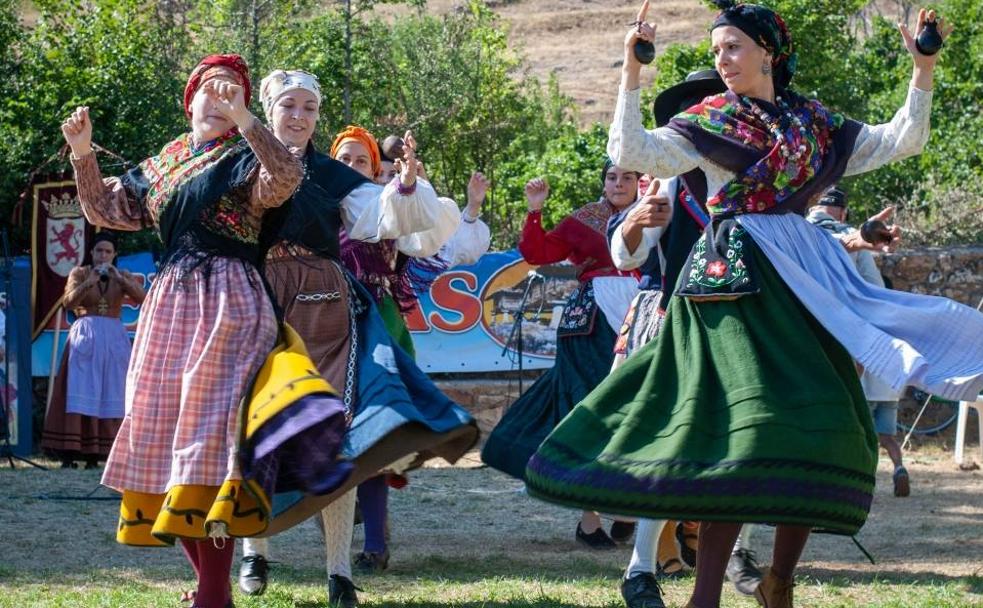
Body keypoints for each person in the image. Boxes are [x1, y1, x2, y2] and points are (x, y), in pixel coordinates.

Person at [526, 3, 981, 607]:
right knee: (743, 435)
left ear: (769, 51)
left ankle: (780, 580)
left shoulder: (813, 122)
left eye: (734, 46)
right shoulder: (712, 119)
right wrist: (631, 75)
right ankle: (704, 595)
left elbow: (903, 139)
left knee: (824, 426)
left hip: (803, 282)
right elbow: (634, 149)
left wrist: (922, 69)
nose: (722, 59)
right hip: (729, 285)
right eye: (717, 50)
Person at [60, 54, 354, 608]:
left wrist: (247, 119)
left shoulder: (248, 153)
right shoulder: (166, 161)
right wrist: (82, 154)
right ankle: (210, 588)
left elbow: (287, 179)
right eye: (212, 92)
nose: (220, 100)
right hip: (169, 302)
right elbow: (106, 212)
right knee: (159, 436)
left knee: (209, 442)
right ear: (191, 98)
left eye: (234, 92)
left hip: (230, 301)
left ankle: (214, 594)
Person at [237, 71, 480, 606]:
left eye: (309, 108)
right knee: (256, 427)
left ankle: (340, 572)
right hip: (258, 301)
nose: (299, 116)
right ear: (268, 109)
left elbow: (383, 215)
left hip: (325, 308)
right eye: (289, 106)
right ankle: (254, 552)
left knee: (336, 431)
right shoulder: (237, 163)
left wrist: (407, 185)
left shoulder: (329, 173)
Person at [333, 127, 488, 574]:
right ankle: (339, 540)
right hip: (324, 319)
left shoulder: (394, 210)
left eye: (363, 162)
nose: (354, 169)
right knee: (328, 429)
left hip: (378, 322)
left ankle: (375, 545)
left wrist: (458, 202)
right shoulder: (319, 205)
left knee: (377, 430)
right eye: (344, 160)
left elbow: (444, 244)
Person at [481, 161, 640, 549]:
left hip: (641, 315)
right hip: (590, 323)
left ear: (641, 181)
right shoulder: (586, 218)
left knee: (635, 409)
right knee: (588, 408)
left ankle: (623, 507)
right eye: (611, 177)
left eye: (627, 177)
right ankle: (589, 518)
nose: (618, 184)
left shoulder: (654, 213)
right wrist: (535, 210)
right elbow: (537, 252)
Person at [807, 187, 910, 497]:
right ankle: (845, 480)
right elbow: (873, 291)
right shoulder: (851, 236)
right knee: (850, 416)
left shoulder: (793, 225)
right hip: (843, 334)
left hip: (800, 328)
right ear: (842, 210)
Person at [41, 232, 145, 469]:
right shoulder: (79, 273)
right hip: (86, 333)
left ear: (114, 254)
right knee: (79, 389)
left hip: (113, 337)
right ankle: (70, 452)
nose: (103, 256)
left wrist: (122, 280)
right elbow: (68, 303)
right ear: (91, 253)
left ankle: (99, 454)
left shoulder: (122, 276)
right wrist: (89, 282)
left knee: (111, 390)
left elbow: (143, 298)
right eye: (99, 251)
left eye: (108, 252)